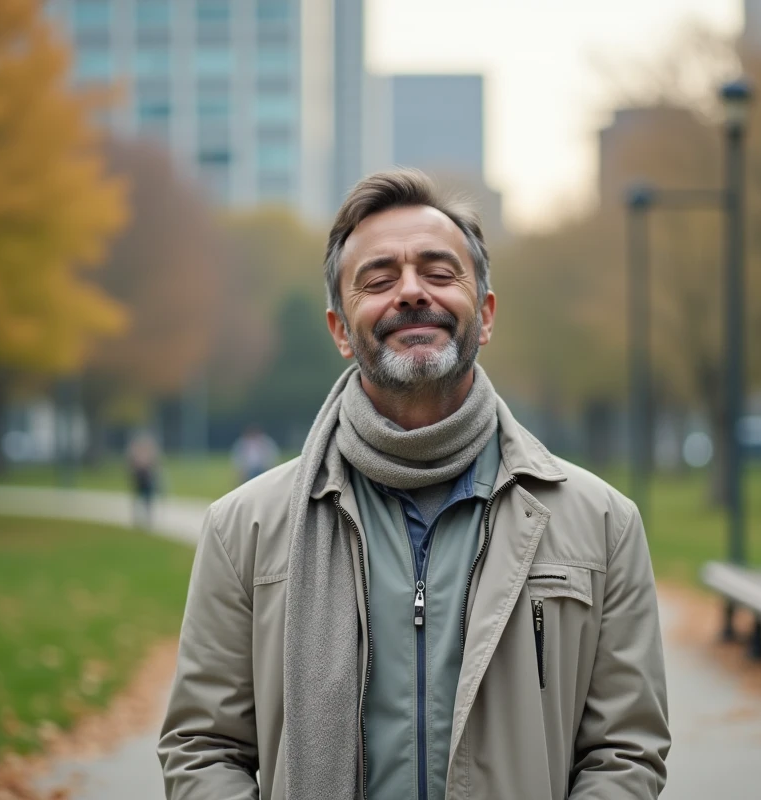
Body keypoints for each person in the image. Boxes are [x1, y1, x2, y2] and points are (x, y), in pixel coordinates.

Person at [159, 169, 670, 799]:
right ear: (341, 330)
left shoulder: (602, 526)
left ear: (483, 314)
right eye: (378, 280)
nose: (410, 293)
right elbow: (203, 747)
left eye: (438, 272)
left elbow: (625, 751)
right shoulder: (244, 530)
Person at [126, 431, 159, 528]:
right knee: (138, 499)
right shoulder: (136, 451)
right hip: (139, 478)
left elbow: (155, 464)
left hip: (147, 478)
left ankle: (148, 519)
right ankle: (137, 519)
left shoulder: (149, 451)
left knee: (147, 499)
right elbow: (131, 465)